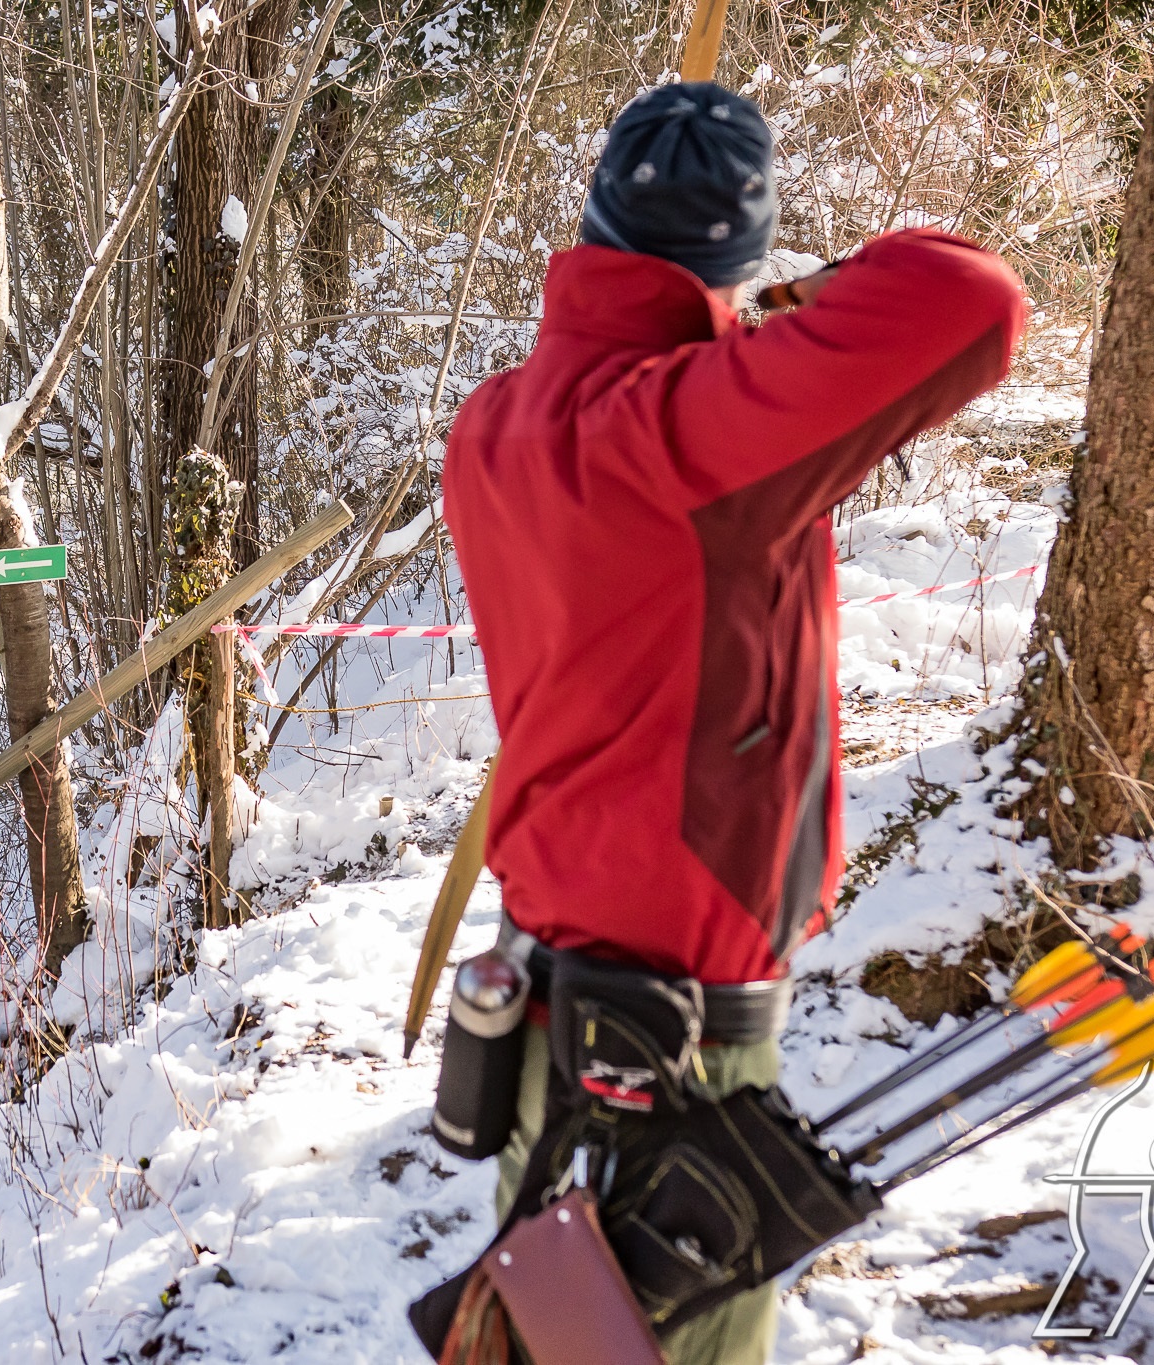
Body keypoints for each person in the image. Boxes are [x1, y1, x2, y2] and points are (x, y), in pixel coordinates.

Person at [439, 82, 1026, 1363]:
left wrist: (730, 331)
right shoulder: (690, 432)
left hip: (545, 975)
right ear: (734, 260)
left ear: (593, 227)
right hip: (665, 1023)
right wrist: (788, 305)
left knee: (553, 1336)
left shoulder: (493, 422)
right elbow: (972, 298)